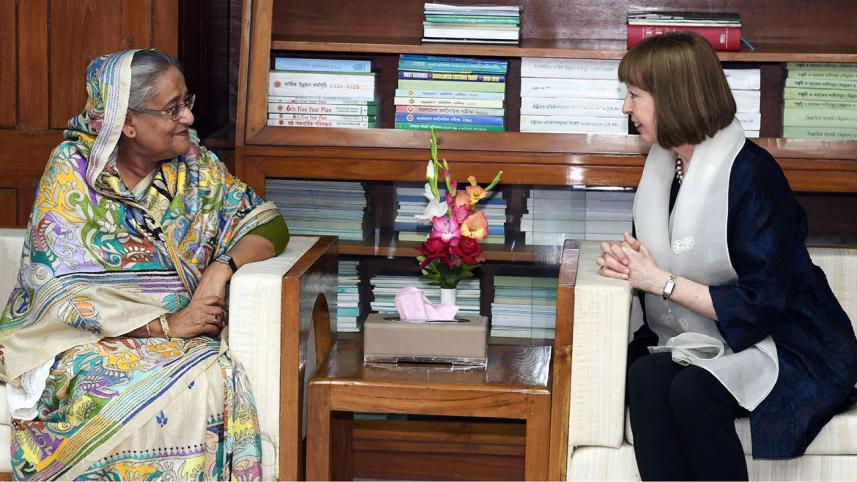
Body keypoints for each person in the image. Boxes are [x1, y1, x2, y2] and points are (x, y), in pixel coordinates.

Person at [0, 49, 289, 480]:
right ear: (127, 122)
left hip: (186, 335)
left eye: (186, 103)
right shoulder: (72, 171)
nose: (189, 118)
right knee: (111, 387)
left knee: (208, 379)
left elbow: (269, 224)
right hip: (80, 343)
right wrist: (166, 326)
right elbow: (63, 296)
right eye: (173, 109)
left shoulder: (196, 167)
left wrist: (220, 267)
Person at [597, 32, 857, 481]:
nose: (626, 108)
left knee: (694, 391)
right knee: (646, 377)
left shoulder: (753, 175)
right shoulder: (668, 168)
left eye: (635, 96)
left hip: (789, 341)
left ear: (674, 98)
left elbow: (762, 302)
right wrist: (633, 264)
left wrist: (660, 281)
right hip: (713, 335)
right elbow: (669, 262)